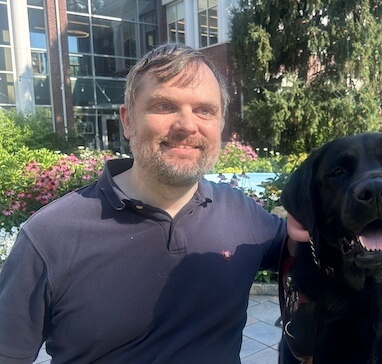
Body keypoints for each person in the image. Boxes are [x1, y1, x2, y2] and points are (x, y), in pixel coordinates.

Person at [0, 43, 308, 363]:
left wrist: (313, 218)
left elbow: (304, 247)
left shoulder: (242, 214)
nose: (187, 125)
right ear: (128, 120)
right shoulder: (50, 237)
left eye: (204, 110)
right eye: (164, 106)